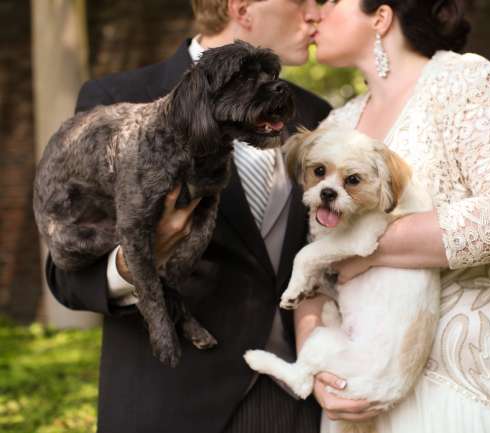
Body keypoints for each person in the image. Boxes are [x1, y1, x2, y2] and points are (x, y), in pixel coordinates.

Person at [45, 1, 331, 432]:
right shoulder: (114, 100)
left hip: (295, 404)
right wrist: (132, 262)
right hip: (169, 406)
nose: (316, 14)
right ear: (242, 8)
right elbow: (66, 274)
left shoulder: (316, 114)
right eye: (302, 1)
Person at [294, 0, 490, 431]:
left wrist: (369, 250)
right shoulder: (333, 126)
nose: (315, 12)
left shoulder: (470, 83)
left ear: (380, 16)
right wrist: (315, 358)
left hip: (462, 385)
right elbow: (313, 271)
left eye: (332, 1)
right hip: (356, 393)